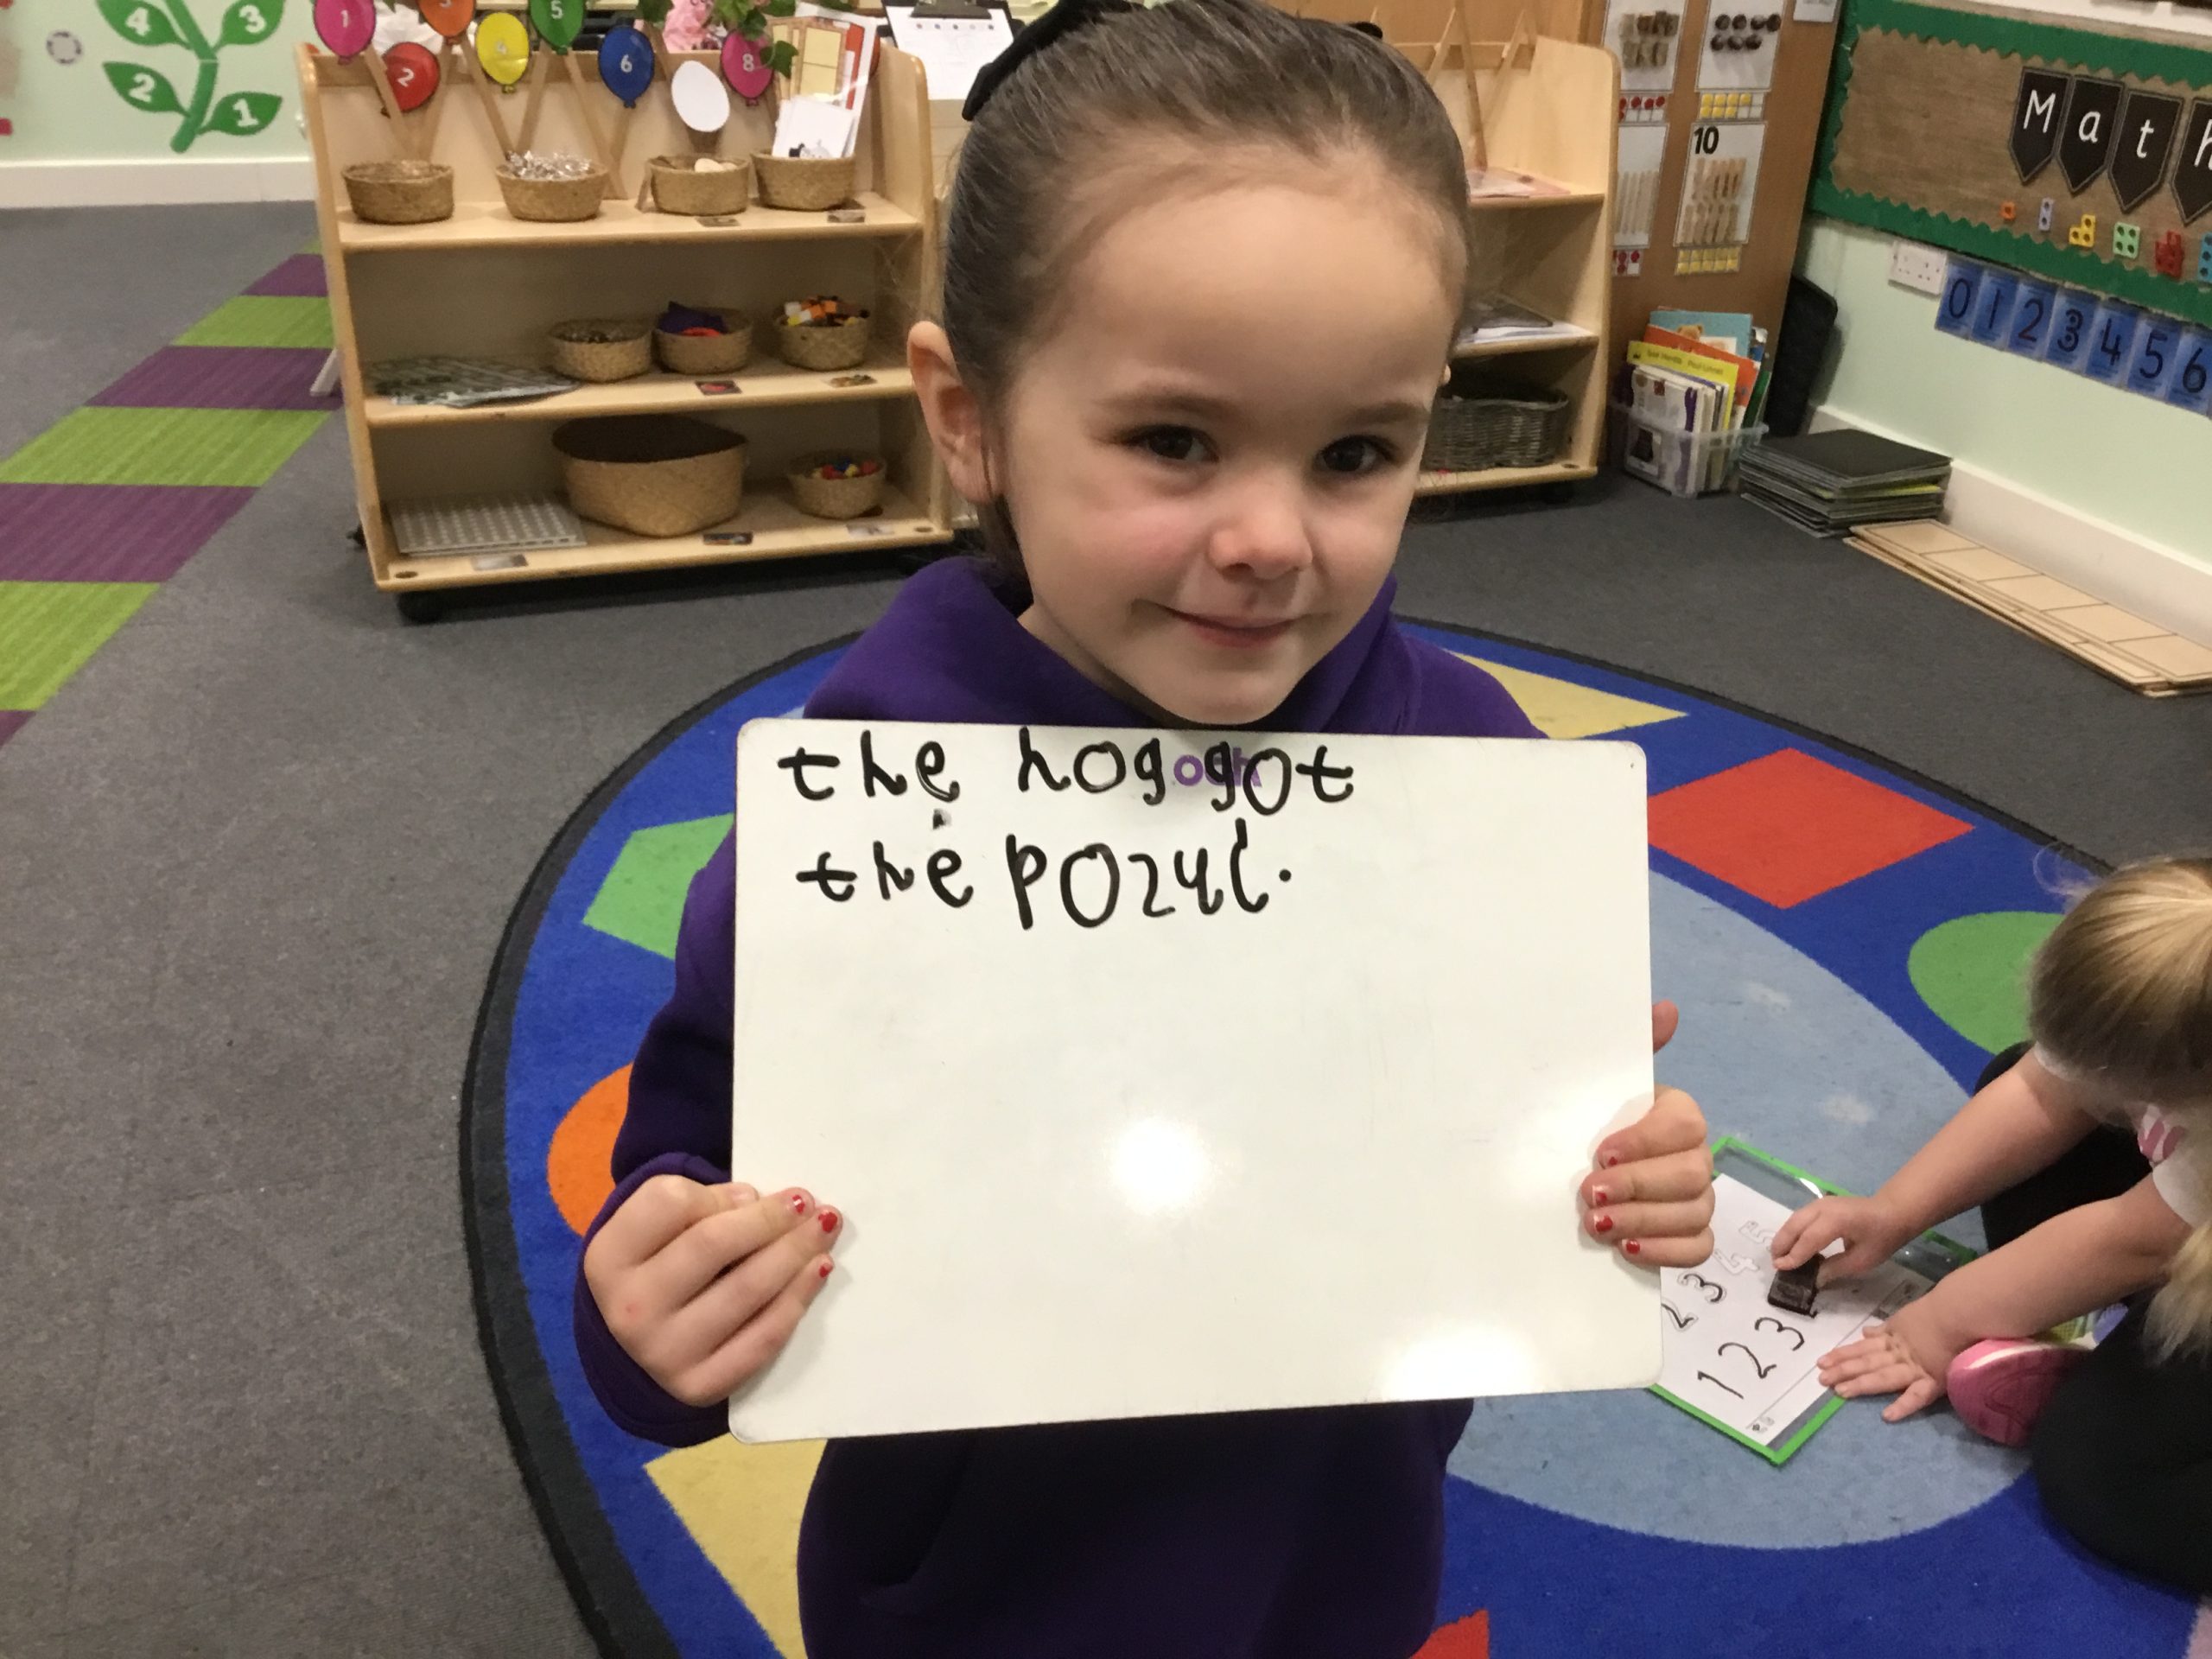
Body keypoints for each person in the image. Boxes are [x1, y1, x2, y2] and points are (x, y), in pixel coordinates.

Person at [575, 1, 1718, 1651]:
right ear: (967, 416)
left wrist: (1617, 1180)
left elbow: (1499, 1200)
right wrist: (654, 1313)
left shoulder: (1473, 769)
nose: (1271, 538)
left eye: (1357, 452)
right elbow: (687, 1187)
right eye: (1175, 442)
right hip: (976, 1606)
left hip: (1335, 1579)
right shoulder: (859, 819)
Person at [1774, 855, 2212, 1595]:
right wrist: (1893, 1210)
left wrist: (1938, 1327)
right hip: (2179, 1202)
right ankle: (2094, 1326)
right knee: (2018, 1089)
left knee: (2098, 1475)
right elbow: (2042, 1091)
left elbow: (2129, 1238)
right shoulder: (2185, 982)